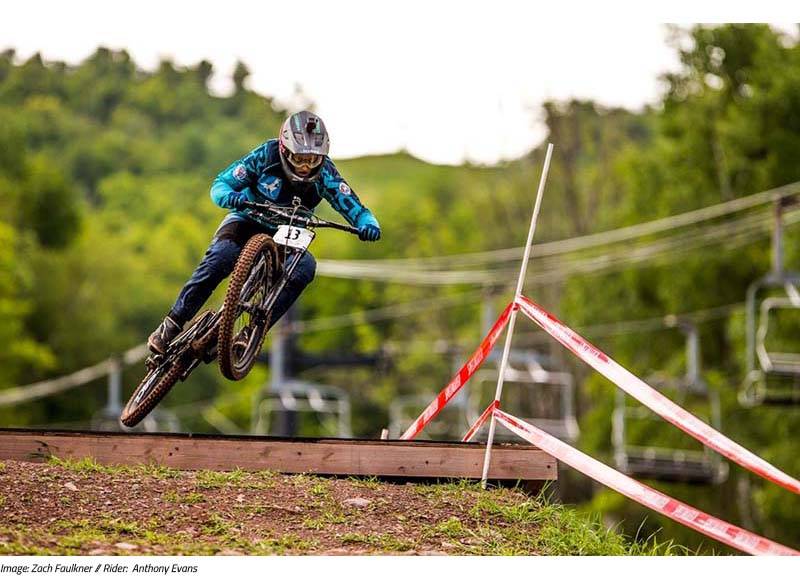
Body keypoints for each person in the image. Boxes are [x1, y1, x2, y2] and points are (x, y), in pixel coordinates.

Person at [148, 111, 381, 354]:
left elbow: (357, 209)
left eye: (313, 159)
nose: (304, 167)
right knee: (221, 256)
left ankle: (253, 331)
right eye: (299, 158)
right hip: (247, 219)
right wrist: (230, 196)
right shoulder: (265, 155)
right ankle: (172, 324)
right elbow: (221, 184)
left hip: (288, 234)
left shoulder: (326, 175)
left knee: (305, 267)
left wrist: (369, 224)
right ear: (284, 149)